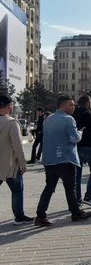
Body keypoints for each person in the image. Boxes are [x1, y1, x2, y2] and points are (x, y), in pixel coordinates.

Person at [35, 96, 91, 226]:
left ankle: (40, 216)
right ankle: (76, 213)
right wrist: (80, 133)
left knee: (49, 188)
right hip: (65, 159)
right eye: (71, 105)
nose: (73, 107)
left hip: (49, 159)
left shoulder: (48, 119)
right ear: (63, 106)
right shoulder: (68, 119)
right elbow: (74, 138)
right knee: (70, 188)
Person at [0, 94, 33, 224]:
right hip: (10, 165)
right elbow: (17, 146)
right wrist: (23, 163)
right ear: (10, 106)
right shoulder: (12, 123)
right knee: (17, 190)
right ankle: (19, 216)